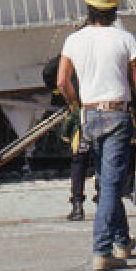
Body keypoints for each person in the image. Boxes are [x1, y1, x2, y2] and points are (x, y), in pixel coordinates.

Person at [57, 0, 136, 271]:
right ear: (114, 9)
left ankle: (122, 242)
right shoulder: (124, 39)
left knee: (107, 180)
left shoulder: (73, 40)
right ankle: (102, 250)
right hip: (117, 115)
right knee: (113, 186)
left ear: (89, 7)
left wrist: (77, 108)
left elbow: (62, 81)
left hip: (89, 115)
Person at [42, 52, 97, 221]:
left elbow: (50, 73)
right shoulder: (99, 52)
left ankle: (77, 206)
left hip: (79, 111)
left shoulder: (70, 53)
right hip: (99, 111)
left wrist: (62, 96)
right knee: (101, 158)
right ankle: (102, 199)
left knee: (78, 161)